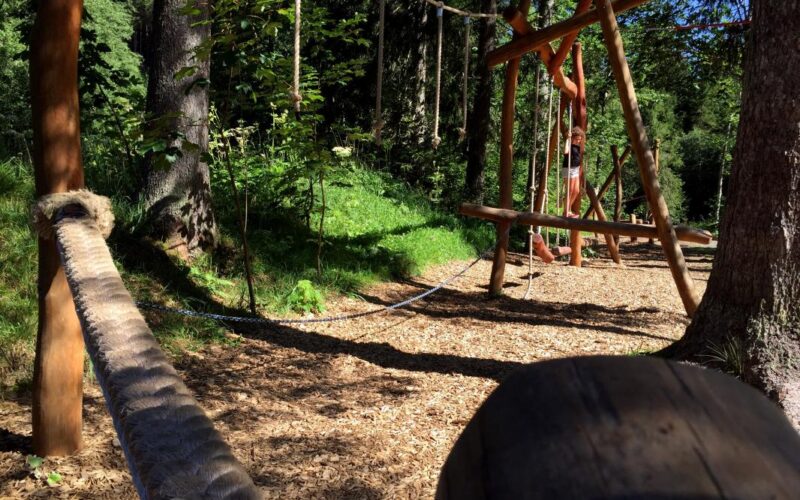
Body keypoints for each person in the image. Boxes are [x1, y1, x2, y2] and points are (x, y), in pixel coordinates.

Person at [561, 126, 584, 218]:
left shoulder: (577, 146)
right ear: (573, 138)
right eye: (578, 139)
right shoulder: (569, 144)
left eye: (580, 139)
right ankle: (566, 211)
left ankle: (568, 209)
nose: (579, 140)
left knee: (576, 191)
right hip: (568, 169)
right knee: (570, 191)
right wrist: (568, 139)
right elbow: (565, 152)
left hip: (575, 169)